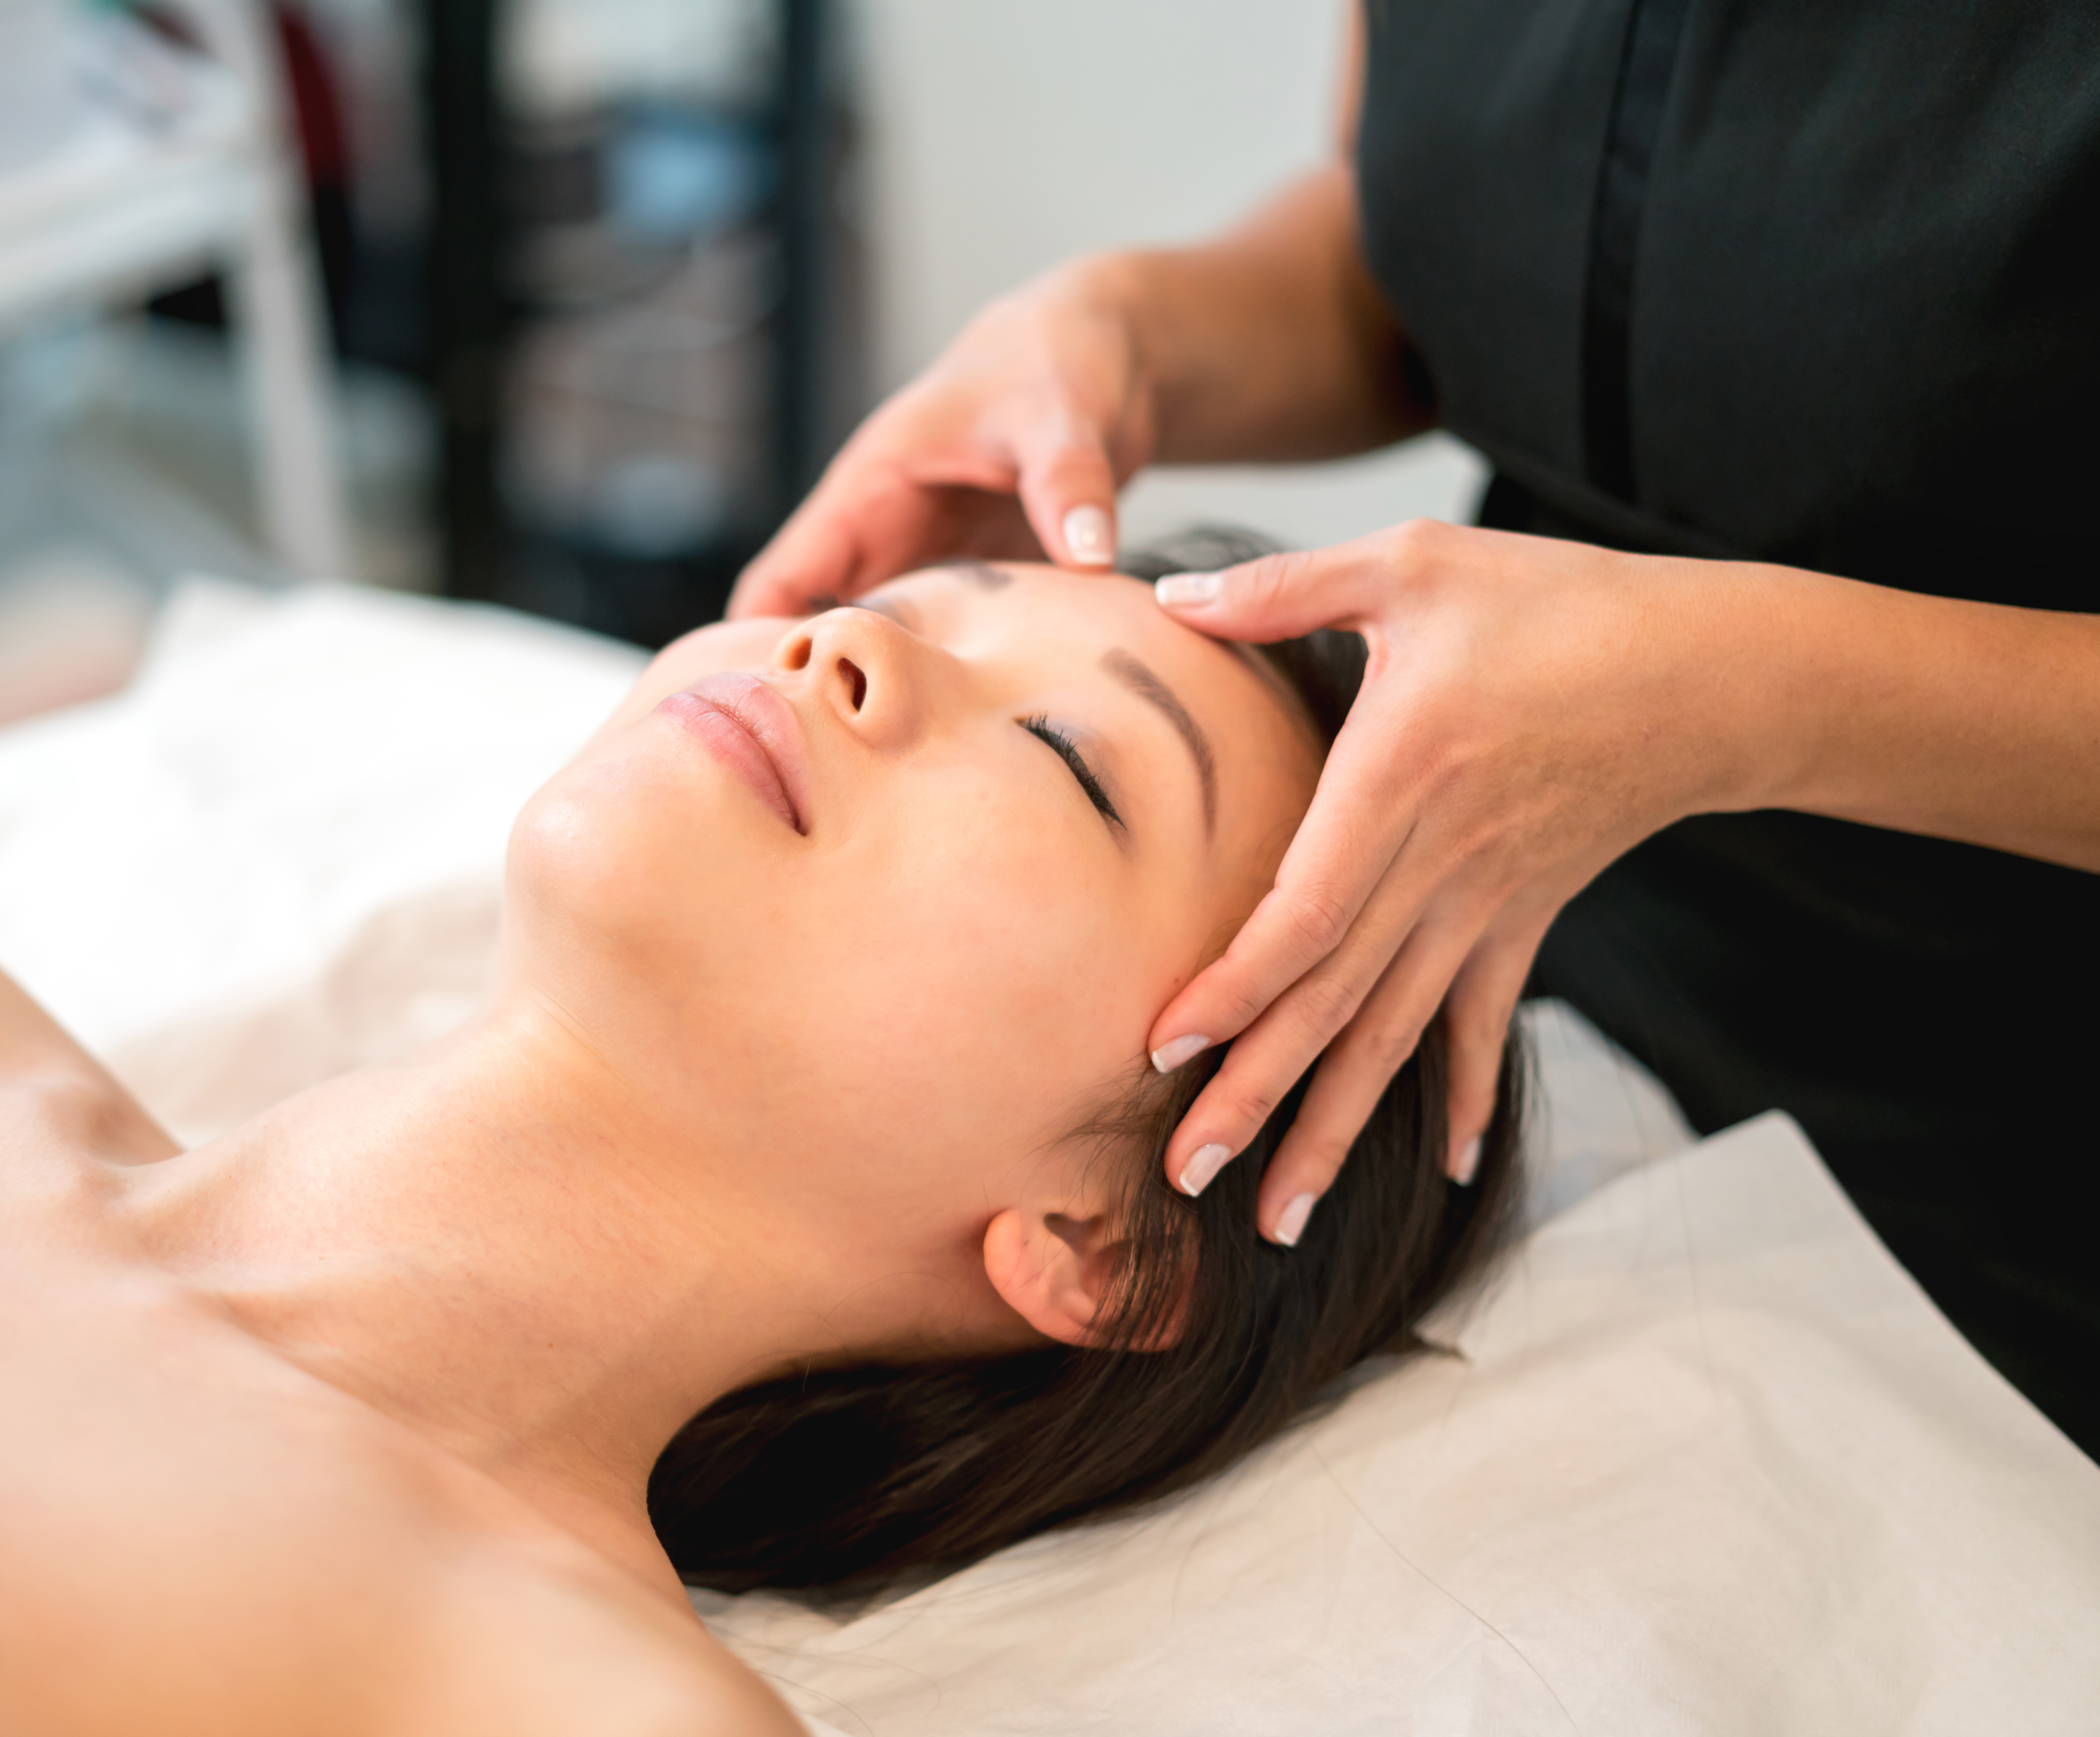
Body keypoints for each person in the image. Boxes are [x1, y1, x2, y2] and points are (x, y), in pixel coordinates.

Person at [0, 559, 1519, 1730]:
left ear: (1112, 1244)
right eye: (915, 593)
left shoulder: (566, 1695)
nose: (851, 648)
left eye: (1072, 761)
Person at [730, 3, 2100, 1452]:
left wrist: (1741, 691)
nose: (852, 650)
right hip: (1507, 960)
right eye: (949, 597)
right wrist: (1121, 334)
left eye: (1075, 767)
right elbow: (1437, 254)